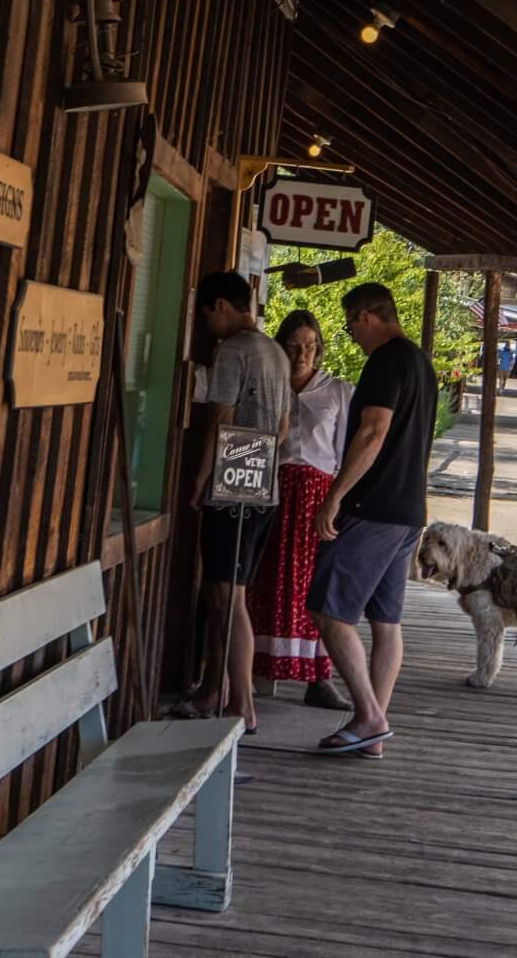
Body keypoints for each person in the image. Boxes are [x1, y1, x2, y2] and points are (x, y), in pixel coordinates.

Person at [306, 280, 435, 758]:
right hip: (407, 512)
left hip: (373, 507)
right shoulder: (421, 362)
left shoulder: (385, 360)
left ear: (365, 317)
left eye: (349, 326)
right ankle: (372, 729)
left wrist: (335, 496)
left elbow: (373, 431)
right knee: (386, 620)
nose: (351, 336)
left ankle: (369, 716)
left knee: (328, 609)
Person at [173, 270, 290, 732]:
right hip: (266, 488)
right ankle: (214, 690)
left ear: (221, 305)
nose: (207, 326)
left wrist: (202, 479)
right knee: (224, 591)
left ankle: (243, 705)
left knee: (228, 596)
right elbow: (282, 429)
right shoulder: (277, 353)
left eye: (206, 314)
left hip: (232, 488)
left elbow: (219, 422)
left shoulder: (231, 352)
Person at [247, 310, 357, 710]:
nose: (301, 354)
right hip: (270, 488)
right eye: (293, 346)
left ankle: (317, 677)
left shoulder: (337, 391)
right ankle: (260, 670)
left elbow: (346, 453)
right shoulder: (269, 386)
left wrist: (338, 501)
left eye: (309, 346)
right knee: (266, 577)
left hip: (316, 497)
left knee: (314, 586)